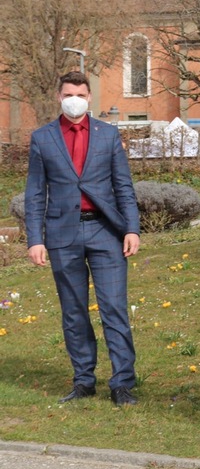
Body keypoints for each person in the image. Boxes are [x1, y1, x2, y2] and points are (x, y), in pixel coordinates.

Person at [24, 71, 140, 406]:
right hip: (63, 234)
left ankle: (122, 383)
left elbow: (124, 188)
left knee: (114, 308)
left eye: (81, 94)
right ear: (59, 97)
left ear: (90, 98)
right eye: (68, 93)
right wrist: (35, 238)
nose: (75, 99)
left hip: (106, 231)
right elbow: (34, 193)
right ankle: (83, 380)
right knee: (73, 311)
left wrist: (131, 228)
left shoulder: (107, 135)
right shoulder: (42, 138)